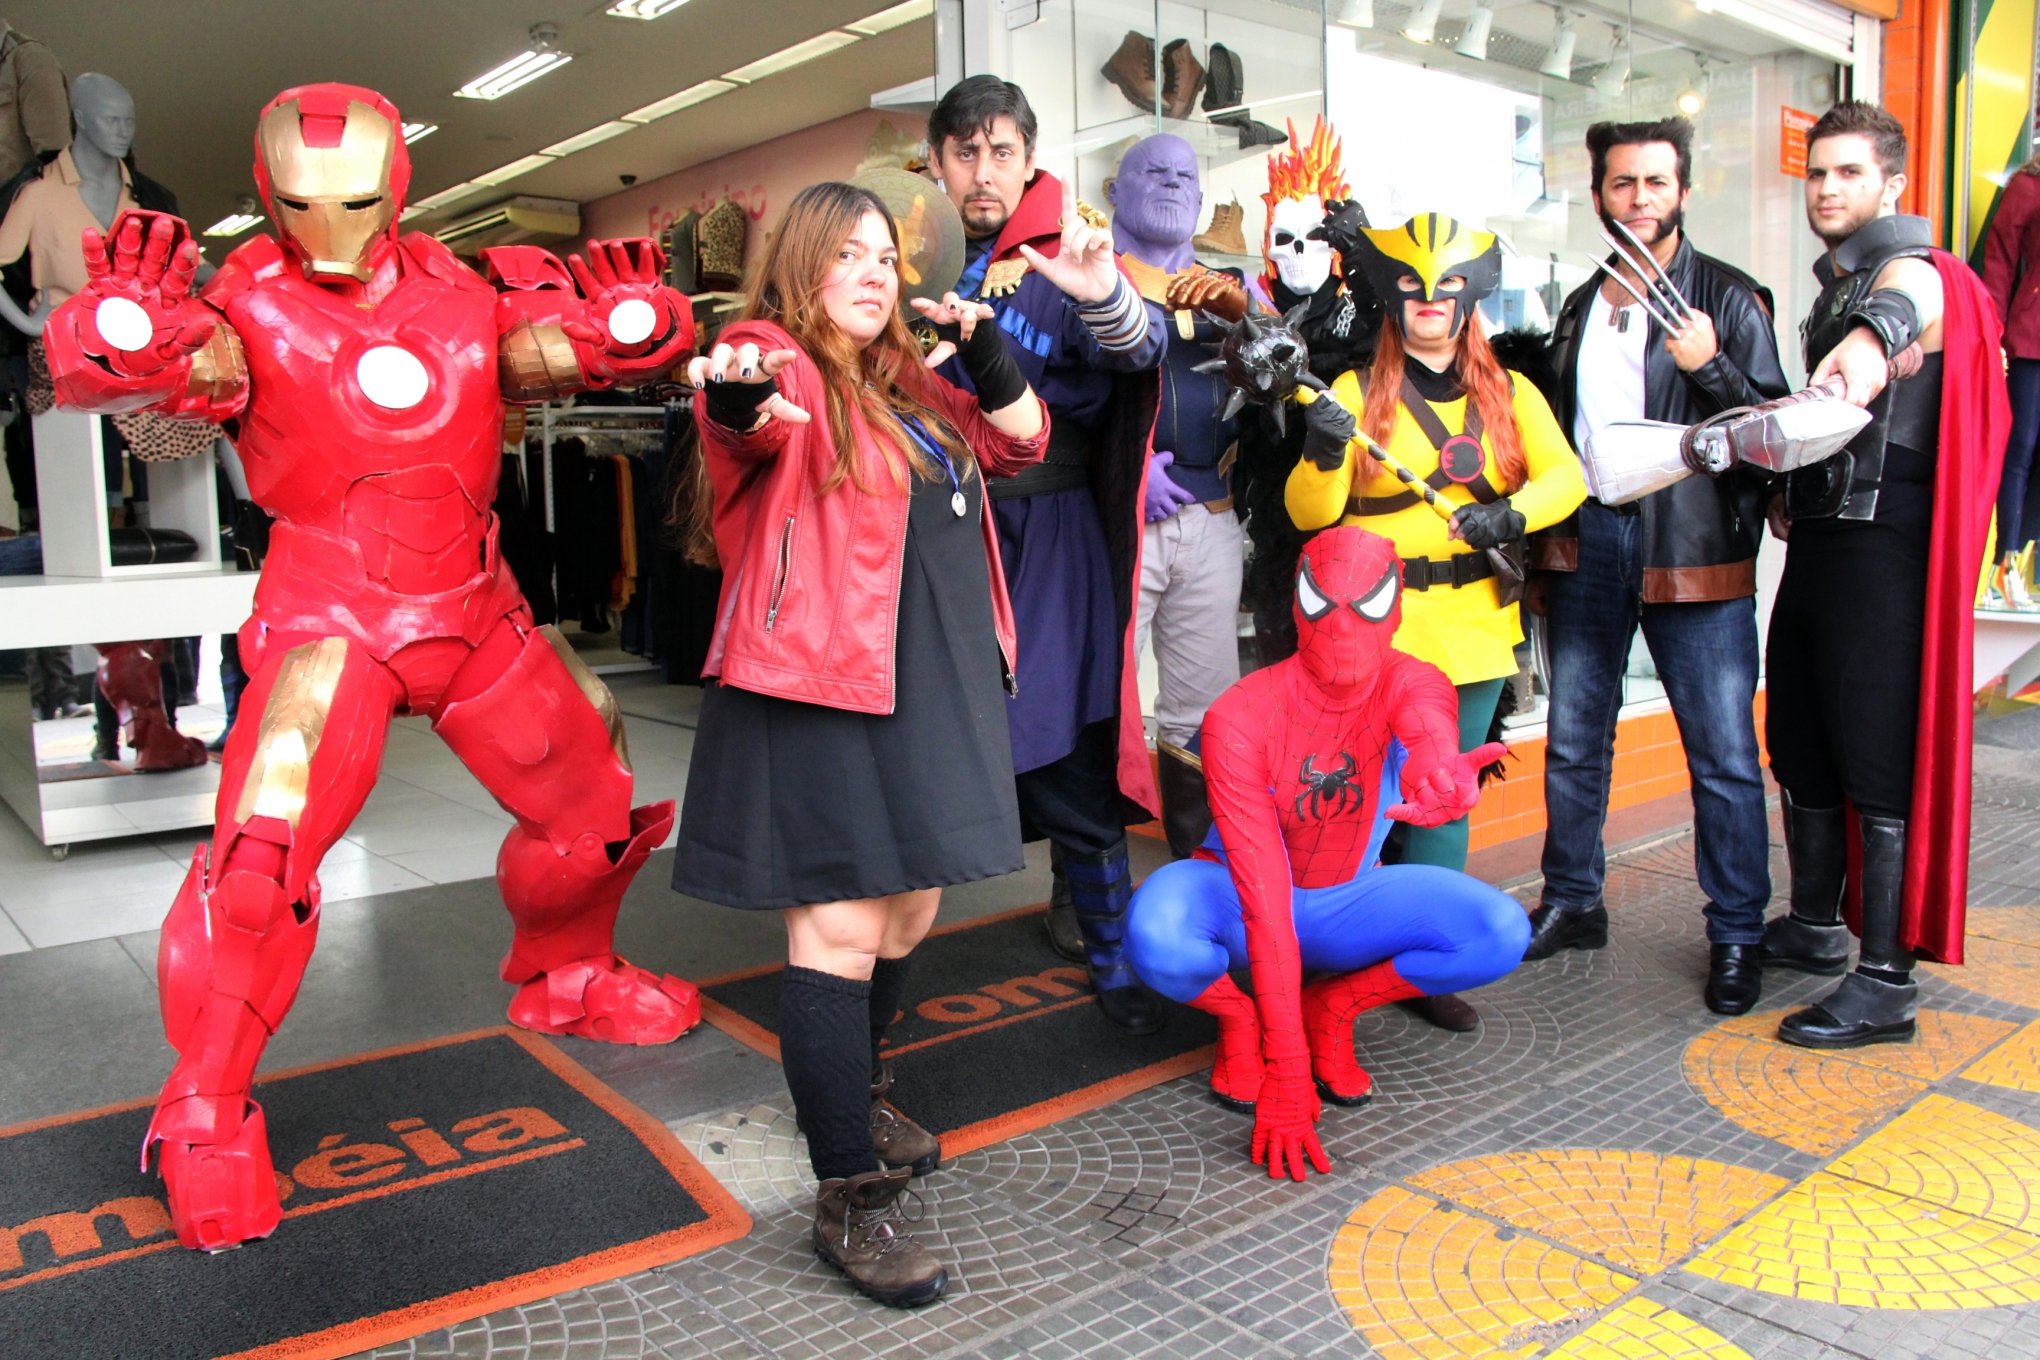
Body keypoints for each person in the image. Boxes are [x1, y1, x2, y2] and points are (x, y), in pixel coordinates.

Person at [44, 84, 700, 1252]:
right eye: (301, 205)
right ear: (267, 195)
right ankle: (204, 1099)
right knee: (263, 850)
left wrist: (631, 333)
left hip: (474, 607)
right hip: (329, 619)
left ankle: (568, 970)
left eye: (352, 202)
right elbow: (161, 395)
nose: (330, 228)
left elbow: (556, 359)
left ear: (397, 188)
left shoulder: (466, 288)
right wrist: (123, 343)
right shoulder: (241, 304)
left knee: (593, 800)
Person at [672, 181, 1051, 1307]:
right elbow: (737, 416)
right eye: (846, 254)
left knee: (912, 904)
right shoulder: (771, 356)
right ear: (799, 266)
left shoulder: (912, 383)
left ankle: (865, 1090)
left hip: (930, 679)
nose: (874, 272)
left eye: (885, 254)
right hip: (821, 681)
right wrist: (735, 401)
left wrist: (985, 359)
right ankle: (850, 1194)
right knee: (838, 925)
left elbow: (1025, 445)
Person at [1125, 525, 1527, 1181]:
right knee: (1155, 932)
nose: (1342, 628)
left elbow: (1427, 725)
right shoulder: (1240, 715)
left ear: (1395, 609)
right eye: (1321, 603)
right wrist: (1286, 1069)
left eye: (1366, 605)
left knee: (1499, 931)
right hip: (1237, 894)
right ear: (1294, 606)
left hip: (1347, 898)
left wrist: (1439, 771)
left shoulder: (1416, 680)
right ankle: (1238, 1016)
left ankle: (1333, 1007)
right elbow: (1262, 900)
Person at [1289, 211, 1586, 1027]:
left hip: (1473, 633)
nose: (1430, 304)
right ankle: (1332, 949)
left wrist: (1513, 516)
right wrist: (1320, 451)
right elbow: (1310, 513)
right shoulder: (1352, 394)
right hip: (1370, 640)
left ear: (1470, 299)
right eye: (1415, 288)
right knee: (1348, 802)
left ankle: (1422, 965)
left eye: (1447, 289)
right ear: (1393, 298)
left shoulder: (1511, 393)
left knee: (1442, 802)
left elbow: (1568, 477)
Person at [1519, 117, 1789, 1016]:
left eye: (1656, 183)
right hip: (1590, 537)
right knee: (1571, 740)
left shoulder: (1730, 299)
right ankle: (1573, 900)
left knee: (1720, 754)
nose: (1640, 198)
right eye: (1623, 183)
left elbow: (1773, 438)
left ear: (1682, 191)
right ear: (1598, 195)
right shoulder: (1581, 304)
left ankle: (1739, 932)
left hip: (1694, 549)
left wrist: (1711, 369)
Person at [1760, 102, 2010, 1048]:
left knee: (1875, 752)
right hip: (1824, 545)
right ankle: (1820, 925)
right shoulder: (1838, 282)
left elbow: (1894, 320)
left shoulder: (1917, 271)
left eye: (1849, 173)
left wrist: (1859, 358)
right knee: (1803, 737)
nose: (1827, 187)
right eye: (1817, 172)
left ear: (1893, 183)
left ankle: (1886, 981)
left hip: (1886, 551)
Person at [924, 76, 1167, 1031]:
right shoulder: (910, 254)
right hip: (943, 533)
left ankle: (1114, 963)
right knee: (932, 745)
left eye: (1001, 152)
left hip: (1050, 532)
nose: (984, 172)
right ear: (937, 162)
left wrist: (1102, 291)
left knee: (1065, 745)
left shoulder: (1075, 242)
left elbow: (1139, 349)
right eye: (965, 153)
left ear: (1027, 155)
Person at [1108, 132, 1251, 859]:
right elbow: (1057, 401)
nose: (1171, 184)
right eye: (1152, 171)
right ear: (1115, 193)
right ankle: (1087, 883)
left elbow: (1287, 387)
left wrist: (1250, 320)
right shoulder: (1087, 277)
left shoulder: (1230, 289)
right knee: (1100, 698)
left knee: (1206, 711)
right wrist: (1131, 469)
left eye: (1185, 177)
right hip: (1112, 525)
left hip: (1212, 518)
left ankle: (1204, 866)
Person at [1981, 149, 2040, 600]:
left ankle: (2025, 564)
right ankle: (2006, 561)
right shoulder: (2028, 185)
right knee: (2018, 449)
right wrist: (1995, 331)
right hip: (2031, 338)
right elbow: (1999, 260)